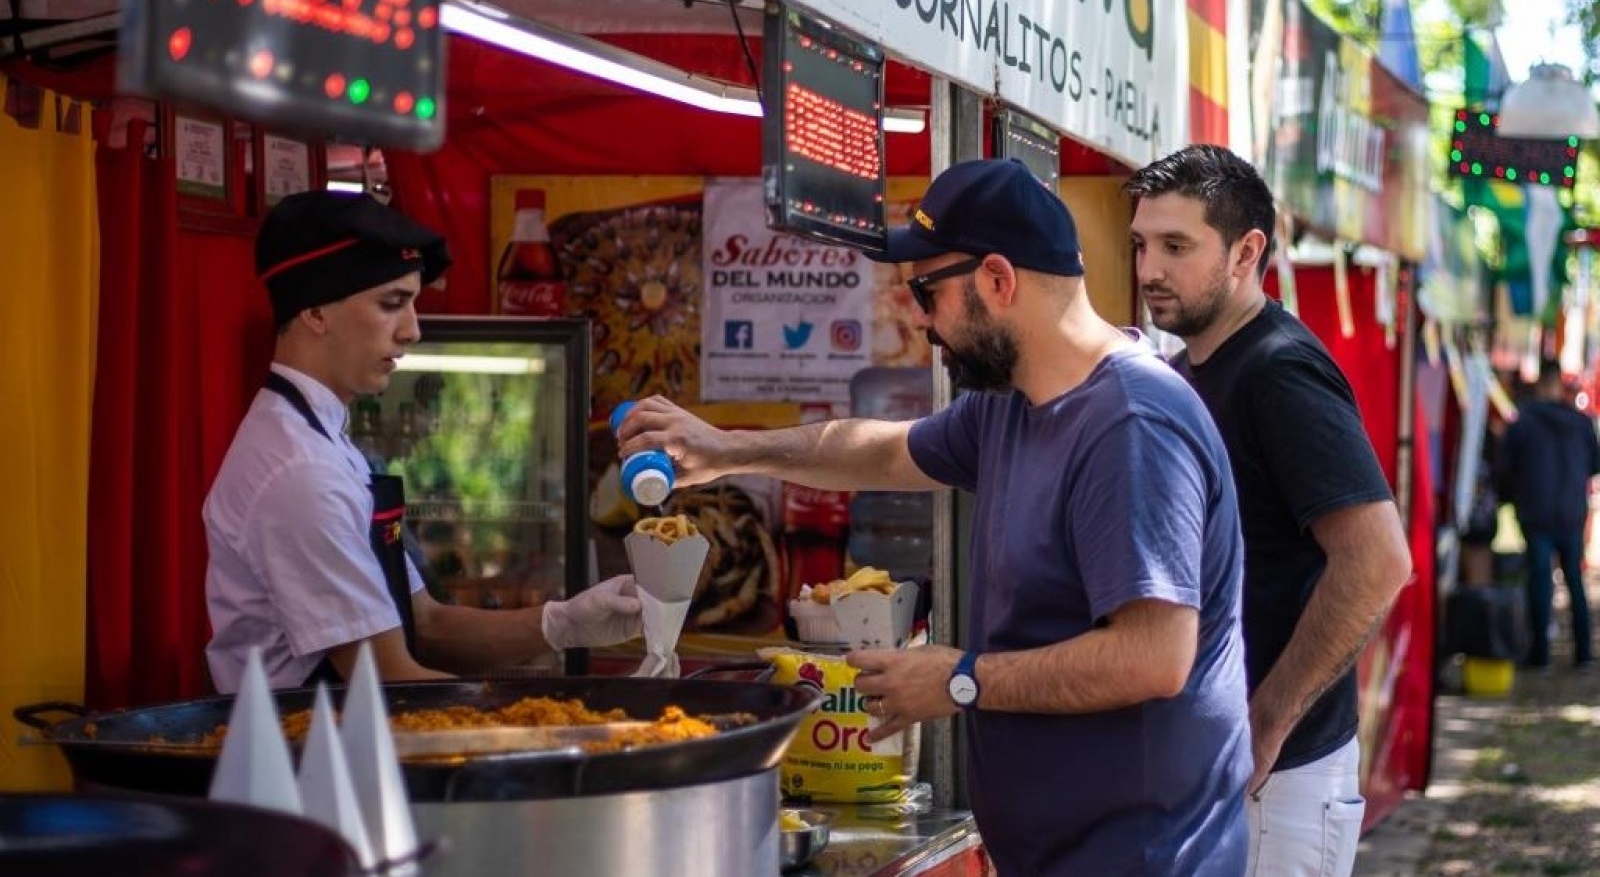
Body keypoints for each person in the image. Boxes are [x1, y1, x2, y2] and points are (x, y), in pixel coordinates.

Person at [617, 158, 1251, 876]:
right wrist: (726, 450)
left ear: (999, 281)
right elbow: (884, 452)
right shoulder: (1014, 402)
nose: (919, 320)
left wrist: (961, 680)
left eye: (926, 291)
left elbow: (1154, 658)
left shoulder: (1130, 428)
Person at [205, 190, 642, 692]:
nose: (412, 330)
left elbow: (427, 626)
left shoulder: (326, 442)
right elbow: (390, 684)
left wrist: (567, 622)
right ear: (316, 312)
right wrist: (542, 728)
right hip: (306, 759)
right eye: (392, 304)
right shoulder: (299, 473)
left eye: (413, 304)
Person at [1125, 144, 1412, 877]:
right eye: (1140, 244)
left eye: (1176, 246)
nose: (1148, 269)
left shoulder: (1279, 370)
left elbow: (1378, 560)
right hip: (1214, 769)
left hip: (1277, 780)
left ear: (1246, 251)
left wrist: (1268, 721)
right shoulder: (1191, 367)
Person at [1494, 359, 1600, 670]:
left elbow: (1505, 468)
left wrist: (1512, 497)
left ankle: (1540, 653)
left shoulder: (1523, 420)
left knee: (1540, 582)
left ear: (1541, 384)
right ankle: (1583, 653)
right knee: (1574, 582)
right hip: (1570, 512)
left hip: (1536, 512)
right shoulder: (1580, 423)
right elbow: (1595, 465)